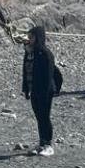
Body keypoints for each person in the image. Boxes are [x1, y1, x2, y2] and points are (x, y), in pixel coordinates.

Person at [22, 26, 58, 156]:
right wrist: (26, 89)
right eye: (29, 37)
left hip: (45, 92)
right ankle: (42, 142)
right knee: (39, 117)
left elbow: (49, 75)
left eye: (32, 37)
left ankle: (48, 144)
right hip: (34, 90)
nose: (29, 39)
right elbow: (25, 72)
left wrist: (46, 92)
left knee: (45, 117)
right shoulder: (29, 53)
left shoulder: (45, 53)